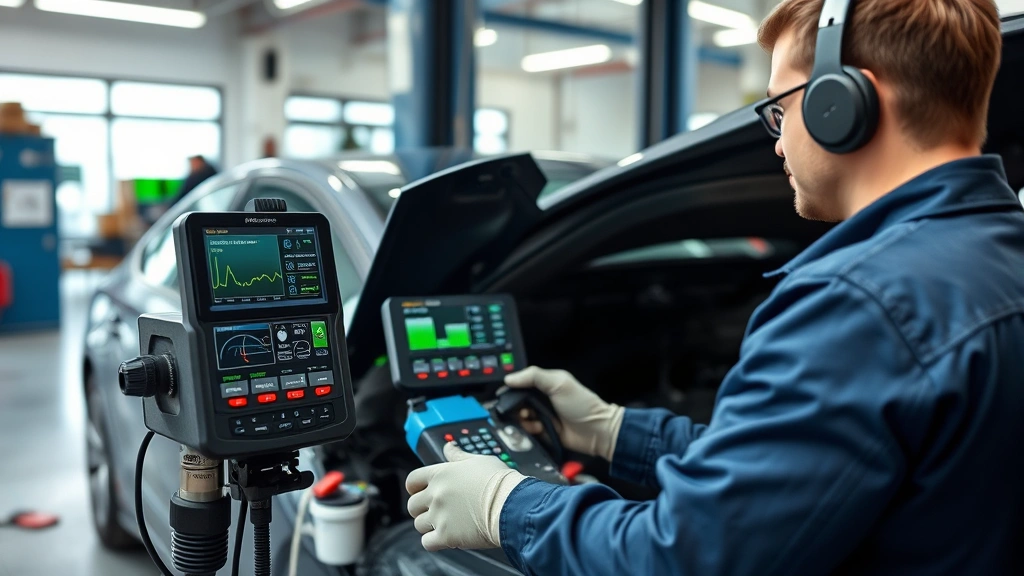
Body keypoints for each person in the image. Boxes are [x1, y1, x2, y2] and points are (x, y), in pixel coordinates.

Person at [405, 0, 1024, 574]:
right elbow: (794, 468)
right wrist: (612, 430)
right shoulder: (998, 254)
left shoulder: (858, 305)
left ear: (845, 102)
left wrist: (505, 507)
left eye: (781, 107)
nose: (777, 139)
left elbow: (685, 557)